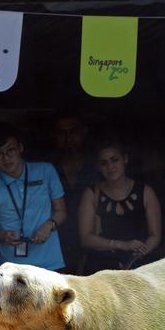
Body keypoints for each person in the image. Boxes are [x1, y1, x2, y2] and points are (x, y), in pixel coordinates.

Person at [0, 123, 66, 271]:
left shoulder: (46, 171)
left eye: (10, 150)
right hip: (11, 268)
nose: (6, 158)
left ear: (20, 148)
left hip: (50, 263)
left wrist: (49, 226)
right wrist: (1, 235)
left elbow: (62, 211)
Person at [79, 139, 161, 273]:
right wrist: (121, 245)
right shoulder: (91, 193)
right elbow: (85, 238)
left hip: (140, 263)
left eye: (114, 160)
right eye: (104, 163)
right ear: (98, 167)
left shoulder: (145, 191)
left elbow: (155, 235)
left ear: (125, 159)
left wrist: (139, 255)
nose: (110, 167)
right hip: (102, 265)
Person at [50, 111, 99, 273]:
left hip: (95, 241)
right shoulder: (47, 168)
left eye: (73, 131)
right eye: (62, 133)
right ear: (54, 136)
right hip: (55, 241)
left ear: (84, 132)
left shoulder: (99, 165)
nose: (68, 138)